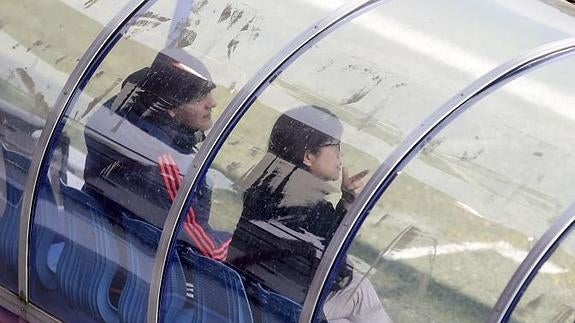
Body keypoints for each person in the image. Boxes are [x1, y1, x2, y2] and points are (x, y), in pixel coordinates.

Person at [227, 105, 392, 322]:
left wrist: (345, 202)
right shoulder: (311, 209)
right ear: (308, 156)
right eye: (335, 146)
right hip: (279, 312)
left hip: (243, 299)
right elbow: (337, 275)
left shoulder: (261, 188)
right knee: (359, 291)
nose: (340, 156)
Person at [83, 48, 230, 260]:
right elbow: (208, 249)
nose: (212, 102)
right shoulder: (167, 164)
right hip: (130, 274)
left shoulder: (123, 123)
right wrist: (241, 246)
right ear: (170, 108)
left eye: (209, 91)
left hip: (97, 249)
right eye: (200, 97)